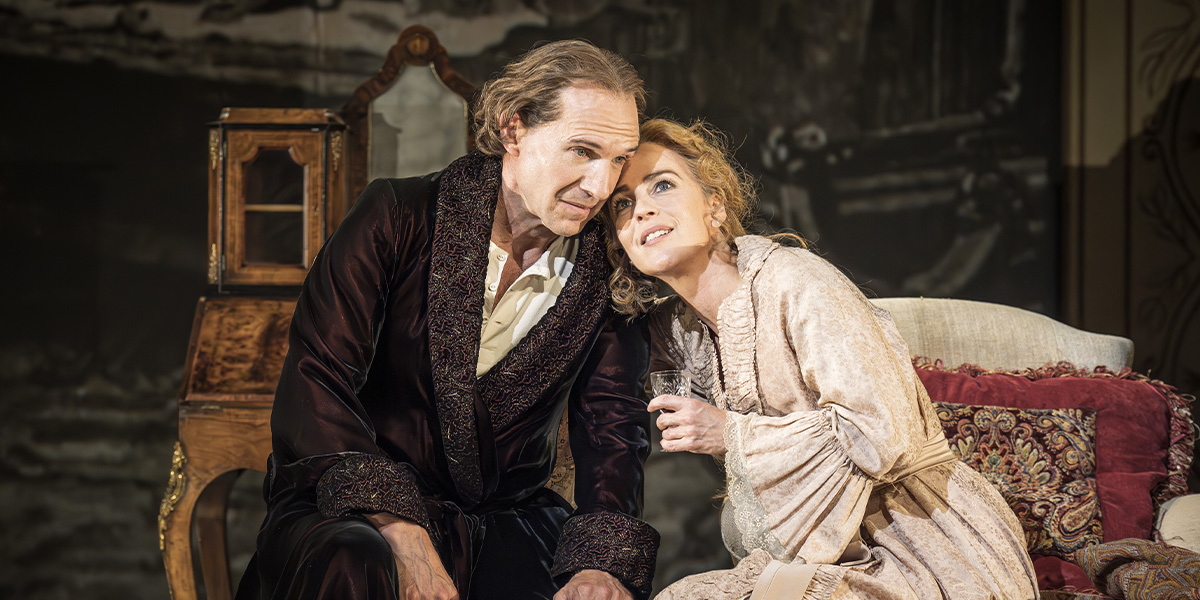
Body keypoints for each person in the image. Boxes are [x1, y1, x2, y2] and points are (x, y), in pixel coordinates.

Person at [236, 40, 660, 600]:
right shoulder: (396, 215)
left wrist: (601, 566)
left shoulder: (608, 270)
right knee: (355, 561)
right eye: (582, 151)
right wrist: (401, 530)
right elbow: (318, 379)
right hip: (356, 509)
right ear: (514, 130)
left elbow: (613, 426)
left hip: (507, 518)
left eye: (620, 159)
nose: (602, 186)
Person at [601, 118, 1039, 599]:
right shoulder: (676, 330)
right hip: (817, 554)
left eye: (662, 186)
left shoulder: (795, 281)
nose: (641, 211)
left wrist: (730, 431)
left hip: (923, 543)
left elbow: (881, 433)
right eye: (623, 204)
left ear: (715, 207)